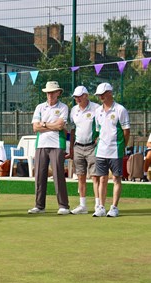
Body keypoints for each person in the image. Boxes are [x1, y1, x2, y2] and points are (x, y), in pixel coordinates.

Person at [28, 81, 70, 215]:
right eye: (48, 92)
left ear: (58, 93)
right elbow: (35, 127)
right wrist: (51, 125)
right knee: (39, 175)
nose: (50, 94)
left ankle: (63, 205)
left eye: (52, 92)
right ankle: (39, 206)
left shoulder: (63, 107)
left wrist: (44, 125)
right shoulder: (40, 107)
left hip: (57, 144)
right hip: (41, 145)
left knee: (58, 175)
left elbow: (60, 126)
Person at [93, 83, 130, 217]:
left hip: (116, 150)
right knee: (102, 179)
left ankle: (114, 207)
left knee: (116, 178)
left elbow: (126, 131)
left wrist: (122, 146)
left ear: (109, 93)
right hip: (101, 151)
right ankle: (101, 207)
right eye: (99, 95)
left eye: (103, 94)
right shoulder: (98, 111)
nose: (101, 97)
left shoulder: (120, 110)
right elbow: (98, 131)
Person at [69, 86, 100, 214]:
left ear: (86, 95)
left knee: (95, 176)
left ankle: (99, 205)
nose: (77, 99)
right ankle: (83, 206)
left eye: (79, 96)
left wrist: (99, 139)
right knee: (80, 176)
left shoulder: (97, 108)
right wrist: (71, 148)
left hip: (92, 146)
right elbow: (72, 130)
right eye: (75, 97)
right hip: (78, 147)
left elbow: (102, 126)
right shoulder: (73, 110)